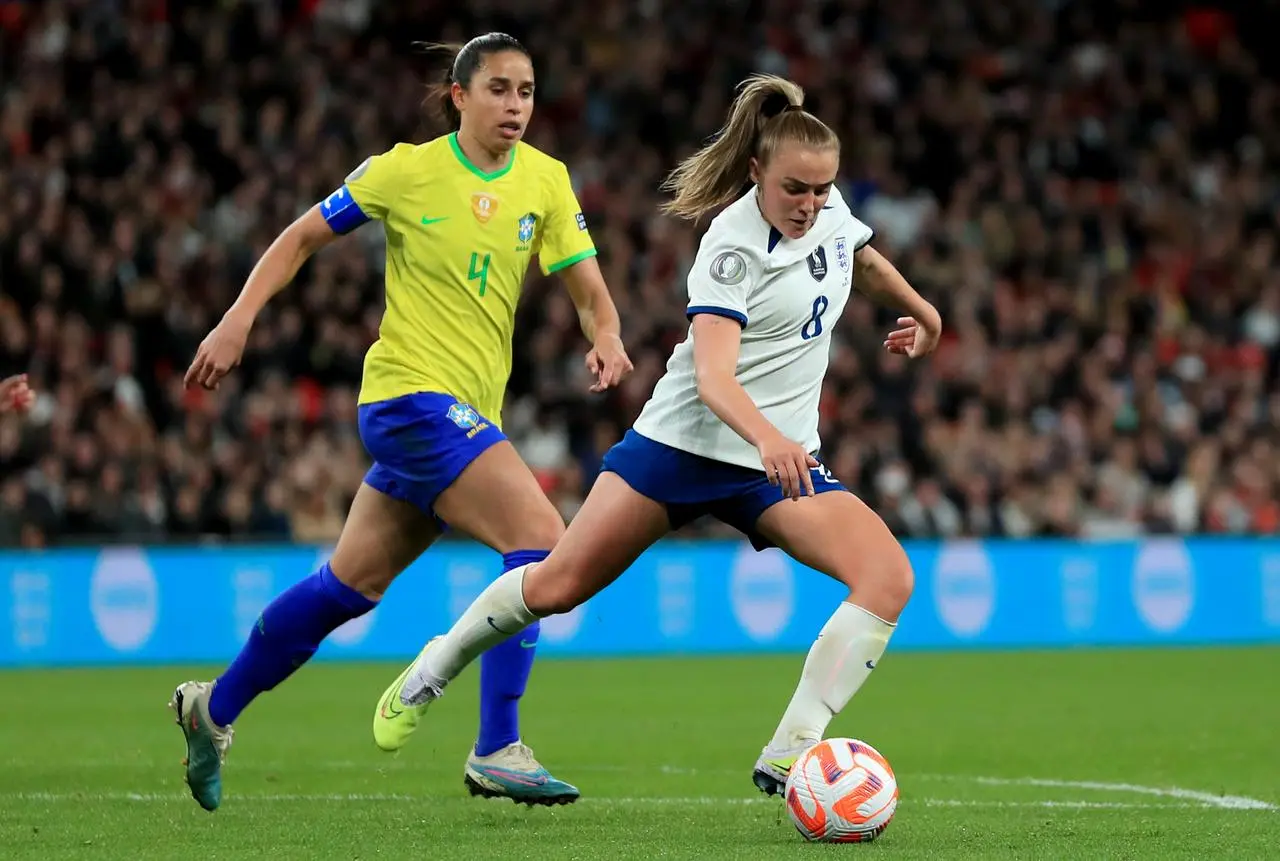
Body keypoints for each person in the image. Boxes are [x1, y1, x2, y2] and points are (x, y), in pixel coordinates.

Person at [373, 74, 941, 797]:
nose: (811, 203)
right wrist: (770, 437)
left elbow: (857, 254)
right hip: (681, 449)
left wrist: (924, 309)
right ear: (757, 171)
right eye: (796, 188)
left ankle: (791, 751)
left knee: (888, 574)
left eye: (823, 188)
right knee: (557, 584)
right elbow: (713, 378)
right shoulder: (731, 247)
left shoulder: (827, 212)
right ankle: (434, 666)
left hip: (770, 464)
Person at [170, 33, 633, 812]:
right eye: (498, 89)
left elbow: (588, 289)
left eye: (525, 90)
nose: (515, 105)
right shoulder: (405, 169)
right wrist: (237, 320)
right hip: (408, 398)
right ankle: (497, 745)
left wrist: (609, 335)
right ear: (460, 95)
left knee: (346, 587)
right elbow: (302, 237)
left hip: (465, 414)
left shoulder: (547, 181)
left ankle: (212, 710)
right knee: (544, 540)